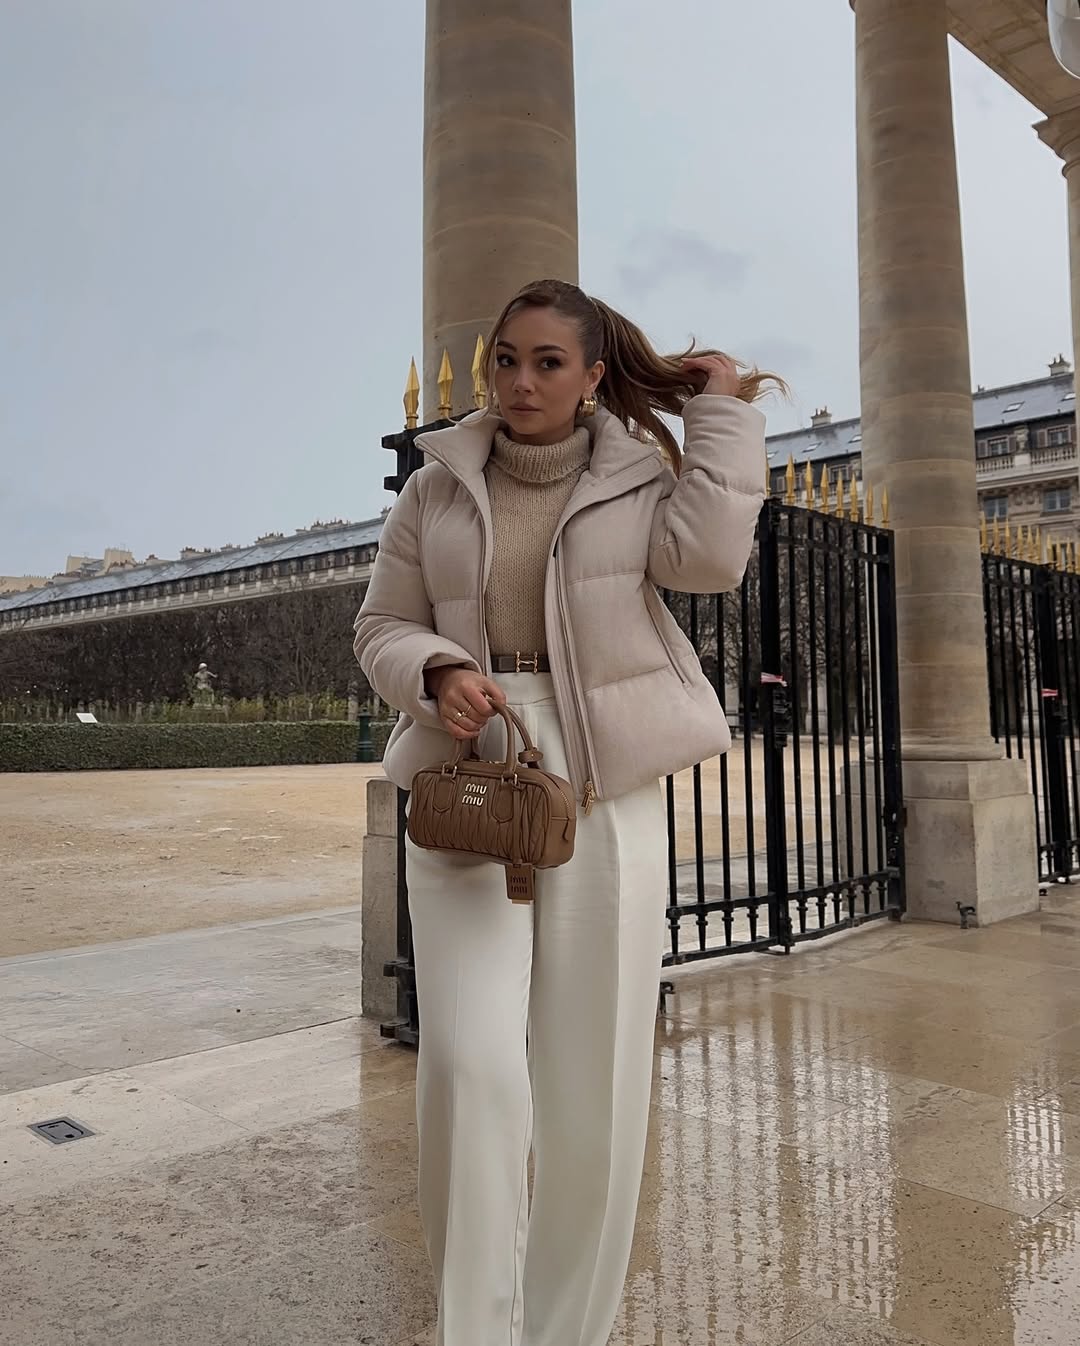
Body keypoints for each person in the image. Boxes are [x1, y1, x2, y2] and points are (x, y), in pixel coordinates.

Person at [354, 278, 779, 1346]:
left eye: (549, 361)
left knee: (595, 1071)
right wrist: (438, 668)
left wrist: (719, 406)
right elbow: (378, 627)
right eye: (506, 359)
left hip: (607, 773)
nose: (521, 381)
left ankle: (564, 1332)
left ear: (595, 375)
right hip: (467, 764)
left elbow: (715, 561)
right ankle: (476, 1330)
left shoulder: (643, 476)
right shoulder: (434, 487)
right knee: (471, 1059)